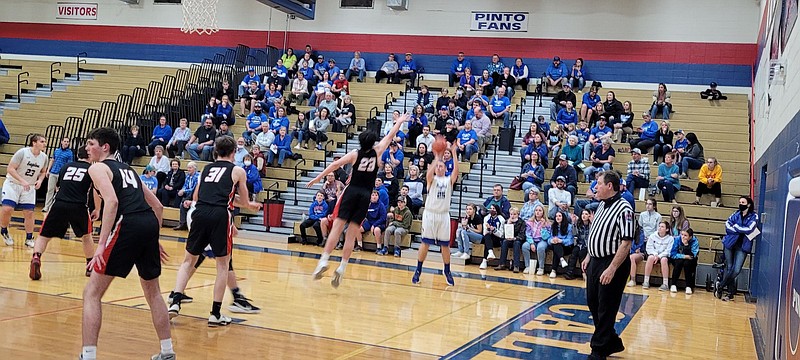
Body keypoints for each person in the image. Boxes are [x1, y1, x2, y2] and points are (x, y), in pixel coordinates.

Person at [79, 127, 173, 360]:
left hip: (127, 224)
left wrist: (101, 244)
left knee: (91, 292)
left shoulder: (98, 168)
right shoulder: (128, 169)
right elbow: (158, 206)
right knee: (153, 292)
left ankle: (88, 355)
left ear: (105, 147)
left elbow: (111, 202)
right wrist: (153, 237)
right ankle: (167, 351)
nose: (87, 148)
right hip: (148, 224)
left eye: (91, 144)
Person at [167, 136, 262, 325]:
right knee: (222, 265)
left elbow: (197, 195)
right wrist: (250, 205)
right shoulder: (237, 170)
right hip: (220, 216)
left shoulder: (206, 168)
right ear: (234, 152)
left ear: (216, 151)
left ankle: (175, 301)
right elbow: (243, 202)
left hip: (199, 212)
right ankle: (216, 313)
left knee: (188, 261)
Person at [308, 113, 407, 287]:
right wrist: (399, 121)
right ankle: (342, 267)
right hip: (365, 195)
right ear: (373, 142)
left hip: (351, 192)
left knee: (337, 229)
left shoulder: (355, 154)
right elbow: (390, 135)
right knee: (351, 234)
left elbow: (334, 165)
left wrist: (318, 178)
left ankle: (323, 260)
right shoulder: (378, 152)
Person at [581, 171, 634, 360]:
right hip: (595, 260)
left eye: (599, 184)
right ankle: (611, 340)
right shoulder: (602, 204)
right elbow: (596, 232)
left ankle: (598, 350)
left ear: (609, 186)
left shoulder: (624, 209)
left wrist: (612, 268)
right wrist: (589, 255)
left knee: (606, 306)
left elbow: (626, 242)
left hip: (613, 262)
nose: (596, 187)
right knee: (592, 302)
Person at [29, 147, 97, 280]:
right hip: (79, 205)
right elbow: (95, 190)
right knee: (86, 236)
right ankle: (89, 266)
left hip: (59, 203)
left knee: (44, 235)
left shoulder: (66, 166)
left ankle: (36, 256)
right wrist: (98, 209)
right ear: (90, 156)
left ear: (77, 155)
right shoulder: (92, 170)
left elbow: (58, 186)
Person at [412, 140, 460, 285]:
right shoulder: (431, 180)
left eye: (441, 166)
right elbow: (428, 173)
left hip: (443, 215)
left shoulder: (449, 180)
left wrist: (453, 152)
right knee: (425, 243)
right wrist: (437, 157)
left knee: (445, 246)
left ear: (445, 169)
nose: (438, 168)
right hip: (430, 214)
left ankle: (447, 270)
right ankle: (418, 270)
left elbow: (456, 171)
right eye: (437, 167)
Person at [1, 134, 48, 246]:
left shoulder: (44, 157)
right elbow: (10, 169)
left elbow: (43, 172)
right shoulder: (22, 152)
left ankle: (29, 238)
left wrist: (40, 181)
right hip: (13, 183)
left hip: (29, 186)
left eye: (45, 141)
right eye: (42, 141)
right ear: (34, 142)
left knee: (29, 212)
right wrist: (22, 181)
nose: (44, 144)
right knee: (7, 209)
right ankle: (3, 230)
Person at [718, 196, 759, 301]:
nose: (740, 204)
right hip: (730, 244)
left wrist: (736, 227)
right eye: (740, 202)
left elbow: (750, 229)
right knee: (729, 267)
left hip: (742, 246)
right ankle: (730, 293)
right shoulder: (735, 214)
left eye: (743, 202)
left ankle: (721, 285)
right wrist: (740, 229)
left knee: (736, 270)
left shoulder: (754, 216)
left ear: (748, 204)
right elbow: (727, 225)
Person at [639, 221, 674, 291]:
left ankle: (665, 284)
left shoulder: (670, 239)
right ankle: (646, 281)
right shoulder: (652, 236)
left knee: (664, 260)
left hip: (664, 256)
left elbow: (668, 251)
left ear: (667, 229)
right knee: (650, 258)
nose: (660, 228)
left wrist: (659, 256)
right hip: (654, 255)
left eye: (662, 227)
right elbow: (649, 248)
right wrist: (655, 255)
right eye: (659, 226)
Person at [44, 137, 73, 213]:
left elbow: (69, 164)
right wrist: (48, 170)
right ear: (61, 142)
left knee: (59, 190)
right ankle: (47, 206)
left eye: (67, 141)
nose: (66, 143)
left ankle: (54, 207)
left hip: (61, 174)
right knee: (50, 190)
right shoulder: (56, 150)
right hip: (53, 172)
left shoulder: (69, 153)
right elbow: (52, 160)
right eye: (65, 141)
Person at [494, 207, 526, 273]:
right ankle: (502, 264)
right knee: (505, 242)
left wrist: (515, 238)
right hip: (508, 239)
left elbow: (522, 235)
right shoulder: (506, 221)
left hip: (518, 239)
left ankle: (516, 266)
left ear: (518, 214)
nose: (512, 216)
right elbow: (503, 234)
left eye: (514, 214)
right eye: (511, 214)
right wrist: (508, 224)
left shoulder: (522, 222)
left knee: (516, 243)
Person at [670, 228, 699, 294]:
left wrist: (686, 245)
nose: (683, 237)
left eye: (685, 235)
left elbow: (692, 255)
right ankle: (673, 284)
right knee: (679, 262)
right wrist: (683, 256)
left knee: (687, 263)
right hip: (678, 258)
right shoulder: (677, 239)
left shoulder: (695, 241)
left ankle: (688, 286)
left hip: (690, 260)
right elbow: (673, 254)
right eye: (682, 234)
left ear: (690, 237)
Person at [172, 162, 199, 231]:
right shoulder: (188, 176)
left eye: (190, 168)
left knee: (184, 200)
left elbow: (195, 189)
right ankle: (182, 223)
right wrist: (182, 190)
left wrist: (185, 191)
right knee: (178, 194)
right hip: (188, 194)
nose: (188, 169)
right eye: (188, 168)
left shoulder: (198, 177)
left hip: (195, 195)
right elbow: (185, 186)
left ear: (194, 169)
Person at [522, 204, 549, 275]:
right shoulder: (529, 222)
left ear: (543, 212)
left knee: (540, 248)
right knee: (525, 246)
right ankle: (527, 266)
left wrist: (543, 227)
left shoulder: (547, 223)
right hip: (532, 240)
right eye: (536, 210)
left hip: (542, 240)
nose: (538, 212)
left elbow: (545, 237)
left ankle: (541, 268)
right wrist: (531, 243)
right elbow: (528, 234)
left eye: (540, 210)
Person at [565, 209, 591, 280]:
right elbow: (574, 234)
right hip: (579, 244)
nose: (584, 216)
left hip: (588, 246)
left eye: (586, 214)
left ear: (589, 216)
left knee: (582, 253)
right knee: (574, 253)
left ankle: (584, 273)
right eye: (583, 214)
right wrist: (573, 223)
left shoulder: (591, 225)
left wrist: (592, 222)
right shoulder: (578, 224)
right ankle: (570, 272)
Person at [548, 211, 574, 278]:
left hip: (566, 247)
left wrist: (561, 241)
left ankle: (553, 270)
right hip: (556, 246)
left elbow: (570, 240)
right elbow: (549, 238)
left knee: (557, 248)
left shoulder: (569, 227)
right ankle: (561, 259)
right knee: (556, 245)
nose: (558, 217)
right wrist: (552, 240)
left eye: (559, 216)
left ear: (563, 217)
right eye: (556, 216)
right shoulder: (553, 226)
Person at [479, 204, 505, 270]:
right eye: (491, 208)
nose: (491, 210)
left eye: (493, 208)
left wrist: (493, 230)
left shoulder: (501, 219)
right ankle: (490, 253)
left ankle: (484, 260)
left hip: (497, 240)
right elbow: (484, 233)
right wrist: (488, 229)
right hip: (488, 237)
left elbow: (502, 235)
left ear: (497, 210)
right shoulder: (486, 218)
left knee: (488, 241)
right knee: (487, 237)